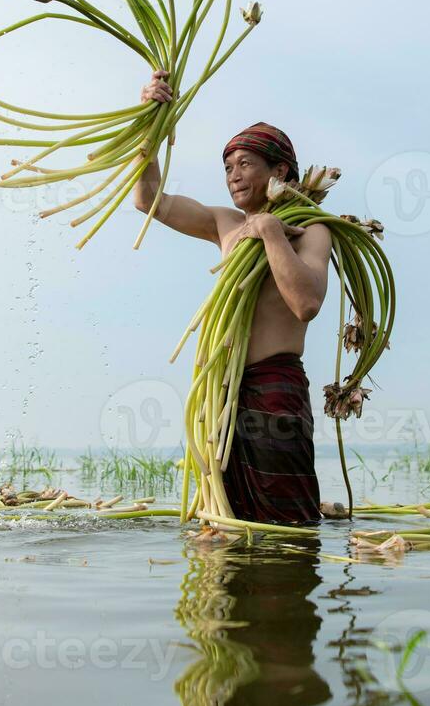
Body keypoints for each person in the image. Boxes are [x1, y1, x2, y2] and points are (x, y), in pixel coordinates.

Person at [133, 70, 331, 525]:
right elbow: (148, 201)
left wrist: (269, 233)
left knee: (288, 524)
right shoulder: (225, 223)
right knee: (224, 525)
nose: (233, 176)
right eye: (227, 167)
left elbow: (307, 304)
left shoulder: (312, 230)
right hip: (221, 392)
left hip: (274, 392)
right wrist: (151, 121)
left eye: (244, 164)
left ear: (280, 171)